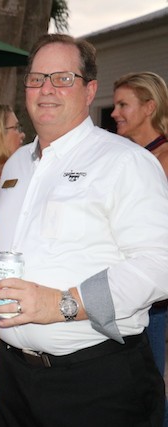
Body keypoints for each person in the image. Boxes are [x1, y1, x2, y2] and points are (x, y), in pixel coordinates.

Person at [0, 34, 168, 427]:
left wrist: (62, 304)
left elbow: (159, 266)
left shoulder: (125, 162)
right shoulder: (16, 164)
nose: (46, 89)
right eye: (37, 78)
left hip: (96, 382)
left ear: (89, 90)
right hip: (13, 380)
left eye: (62, 78)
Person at [112, 71, 168, 426]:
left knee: (147, 391)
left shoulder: (163, 158)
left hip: (152, 301)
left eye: (123, 105)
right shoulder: (127, 156)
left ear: (149, 107)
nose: (114, 112)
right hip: (120, 292)